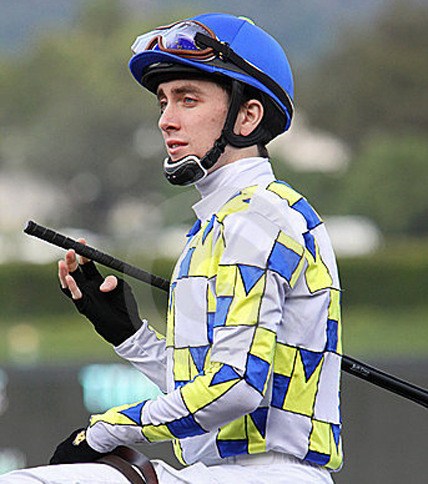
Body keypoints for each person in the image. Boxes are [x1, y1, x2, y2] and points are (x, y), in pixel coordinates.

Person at [1, 12, 343, 483]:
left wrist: (101, 431)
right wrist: (130, 336)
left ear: (247, 116)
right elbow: (204, 390)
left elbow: (236, 389)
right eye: (163, 102)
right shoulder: (220, 223)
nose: (166, 120)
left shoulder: (257, 218)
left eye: (188, 99)